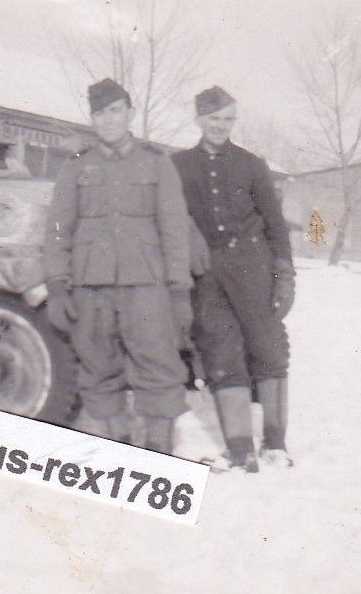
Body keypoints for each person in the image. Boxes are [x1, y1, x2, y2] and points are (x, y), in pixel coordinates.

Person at [43, 78, 193, 454]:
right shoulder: (77, 167)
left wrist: (178, 289)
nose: (108, 120)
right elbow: (59, 228)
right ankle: (119, 447)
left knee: (158, 367)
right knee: (97, 369)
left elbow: (174, 229)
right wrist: (58, 285)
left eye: (114, 111)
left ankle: (160, 455)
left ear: (129, 113)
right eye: (99, 113)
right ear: (92, 118)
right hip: (90, 285)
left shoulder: (156, 163)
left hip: (146, 285)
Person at [172, 86, 296, 472]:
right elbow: (172, 217)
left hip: (253, 268)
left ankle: (275, 444)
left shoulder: (251, 164)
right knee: (221, 354)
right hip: (207, 274)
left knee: (268, 351)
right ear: (197, 119)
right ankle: (240, 448)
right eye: (213, 119)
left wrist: (284, 274)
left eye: (227, 120)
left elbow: (276, 224)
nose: (220, 127)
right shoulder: (178, 165)